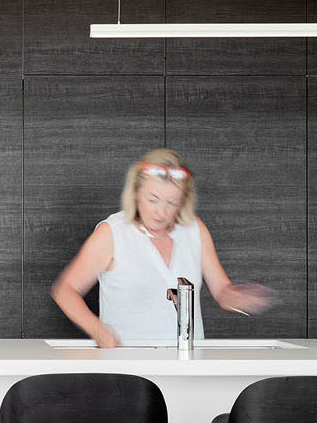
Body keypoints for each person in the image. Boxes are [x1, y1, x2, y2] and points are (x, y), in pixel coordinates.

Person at [51, 147, 275, 347]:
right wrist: (97, 329)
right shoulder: (112, 234)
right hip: (127, 369)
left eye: (171, 203)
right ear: (136, 192)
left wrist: (242, 299)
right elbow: (65, 290)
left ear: (183, 202)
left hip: (188, 365)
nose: (161, 212)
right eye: (153, 199)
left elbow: (222, 292)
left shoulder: (195, 230)